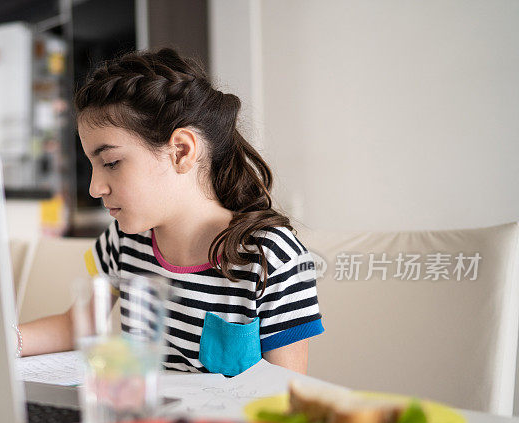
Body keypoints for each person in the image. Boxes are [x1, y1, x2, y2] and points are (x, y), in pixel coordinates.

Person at [17, 48, 323, 375]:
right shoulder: (123, 241)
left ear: (180, 151)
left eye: (111, 163)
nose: (95, 188)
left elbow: (287, 393)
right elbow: (77, 326)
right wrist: (5, 340)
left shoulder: (271, 257)